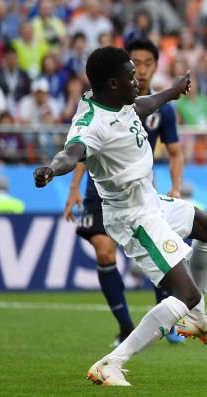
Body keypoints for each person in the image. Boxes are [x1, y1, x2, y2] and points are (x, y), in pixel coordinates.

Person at [33, 47, 207, 386]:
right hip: (132, 217)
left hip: (151, 200)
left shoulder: (118, 101)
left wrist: (171, 93)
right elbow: (72, 152)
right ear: (112, 83)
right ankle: (112, 363)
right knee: (186, 293)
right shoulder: (91, 124)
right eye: (131, 77)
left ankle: (193, 317)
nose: (138, 81)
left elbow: (140, 107)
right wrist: (51, 169)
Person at [64, 38, 188, 345]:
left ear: (155, 66)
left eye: (147, 64)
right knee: (105, 251)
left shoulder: (156, 107)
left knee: (161, 255)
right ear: (116, 75)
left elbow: (174, 152)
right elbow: (82, 150)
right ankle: (125, 328)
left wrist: (175, 185)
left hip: (141, 191)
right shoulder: (99, 107)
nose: (141, 70)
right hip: (100, 191)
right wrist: (73, 188)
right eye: (136, 64)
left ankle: (168, 318)